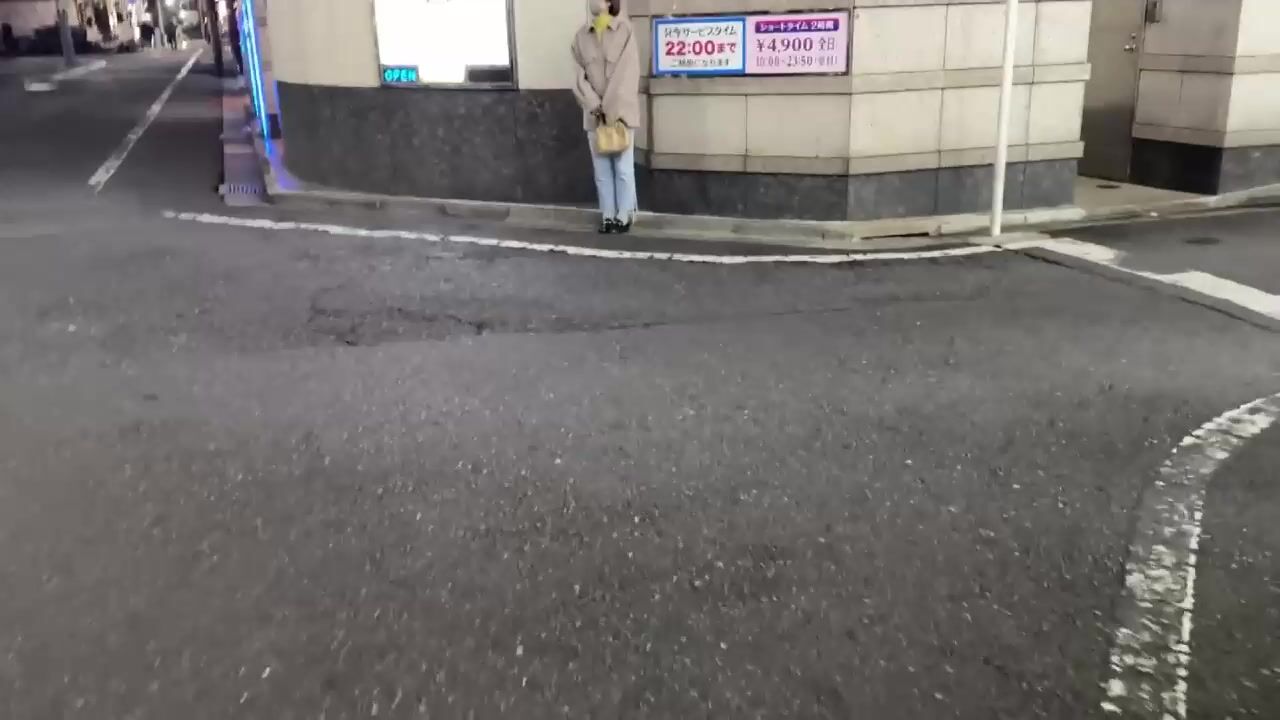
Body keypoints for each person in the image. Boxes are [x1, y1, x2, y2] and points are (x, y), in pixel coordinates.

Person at [571, 0, 640, 234]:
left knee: (623, 168)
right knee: (601, 170)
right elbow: (578, 77)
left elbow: (627, 75)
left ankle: (624, 215)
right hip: (594, 115)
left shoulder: (625, 31)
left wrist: (609, 108)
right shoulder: (581, 37)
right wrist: (593, 104)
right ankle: (608, 215)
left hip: (621, 114)